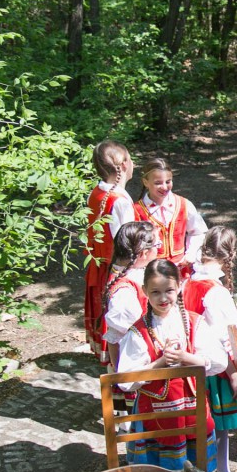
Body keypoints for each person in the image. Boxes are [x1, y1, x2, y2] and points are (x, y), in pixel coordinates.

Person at [117, 259, 228, 472]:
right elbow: (125, 380)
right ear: (144, 291)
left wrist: (185, 357)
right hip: (155, 412)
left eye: (168, 290)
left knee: (196, 450)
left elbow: (218, 362)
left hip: (190, 405)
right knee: (160, 459)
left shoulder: (194, 322)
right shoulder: (138, 332)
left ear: (179, 287)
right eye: (155, 292)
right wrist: (159, 363)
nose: (163, 298)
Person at [181, 226, 237, 472]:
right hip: (215, 368)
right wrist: (234, 372)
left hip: (194, 365)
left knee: (215, 426)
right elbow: (227, 337)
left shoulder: (189, 282)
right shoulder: (215, 292)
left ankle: (223, 470)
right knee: (212, 425)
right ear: (231, 254)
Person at [84, 140, 136, 363]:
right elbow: (127, 242)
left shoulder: (96, 193)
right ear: (123, 165)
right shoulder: (120, 201)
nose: (133, 164)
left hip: (99, 265)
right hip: (118, 268)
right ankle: (122, 358)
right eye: (130, 159)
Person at [101, 221, 161, 377]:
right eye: (158, 245)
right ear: (144, 253)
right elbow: (116, 337)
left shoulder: (129, 274)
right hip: (137, 365)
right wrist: (119, 375)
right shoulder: (125, 293)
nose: (159, 249)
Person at [132, 158, 208, 274]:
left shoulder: (183, 204)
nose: (164, 187)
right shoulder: (137, 210)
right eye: (158, 183)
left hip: (181, 270)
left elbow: (198, 232)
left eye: (168, 181)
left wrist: (190, 254)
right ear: (146, 182)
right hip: (151, 273)